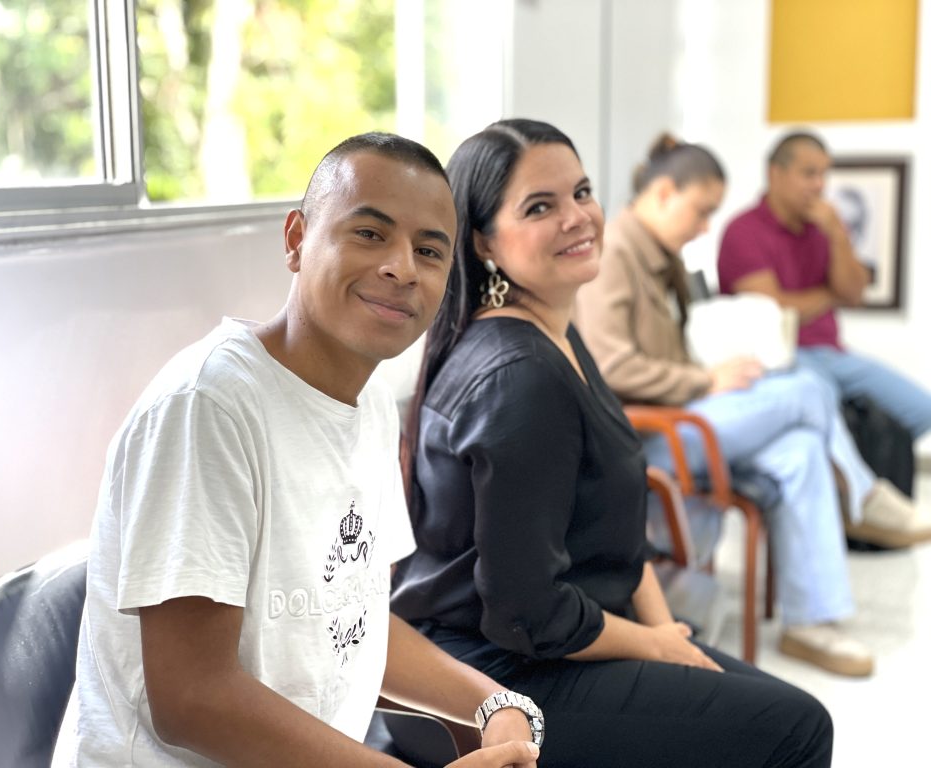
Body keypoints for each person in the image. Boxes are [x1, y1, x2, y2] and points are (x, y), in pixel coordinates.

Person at [52, 132, 543, 768]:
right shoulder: (209, 407)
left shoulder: (370, 403)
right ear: (296, 239)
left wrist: (494, 704)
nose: (401, 268)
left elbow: (350, 624)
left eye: (429, 251)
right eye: (369, 233)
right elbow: (191, 696)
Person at [391, 118, 833, 767]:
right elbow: (527, 612)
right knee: (797, 727)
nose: (577, 217)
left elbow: (622, 539)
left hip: (561, 642)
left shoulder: (557, 335)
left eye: (582, 192)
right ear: (483, 240)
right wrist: (656, 647)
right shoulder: (520, 375)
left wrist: (664, 630)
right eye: (540, 206)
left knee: (774, 706)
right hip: (494, 678)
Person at [573, 133, 930, 679]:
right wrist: (705, 379)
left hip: (684, 418)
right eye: (701, 211)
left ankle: (811, 623)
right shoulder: (615, 251)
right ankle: (861, 496)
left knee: (802, 448)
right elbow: (611, 365)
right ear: (664, 193)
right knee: (807, 389)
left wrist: (718, 372)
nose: (705, 228)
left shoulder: (662, 258)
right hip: (649, 436)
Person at [717, 129, 931, 545]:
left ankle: (861, 499)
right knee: (818, 399)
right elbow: (776, 313)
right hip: (779, 356)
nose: (818, 185)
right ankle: (860, 501)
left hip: (832, 353)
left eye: (823, 175)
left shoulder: (822, 230)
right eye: (808, 173)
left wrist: (837, 234)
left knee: (921, 408)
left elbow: (854, 293)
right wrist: (830, 294)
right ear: (775, 174)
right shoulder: (743, 231)